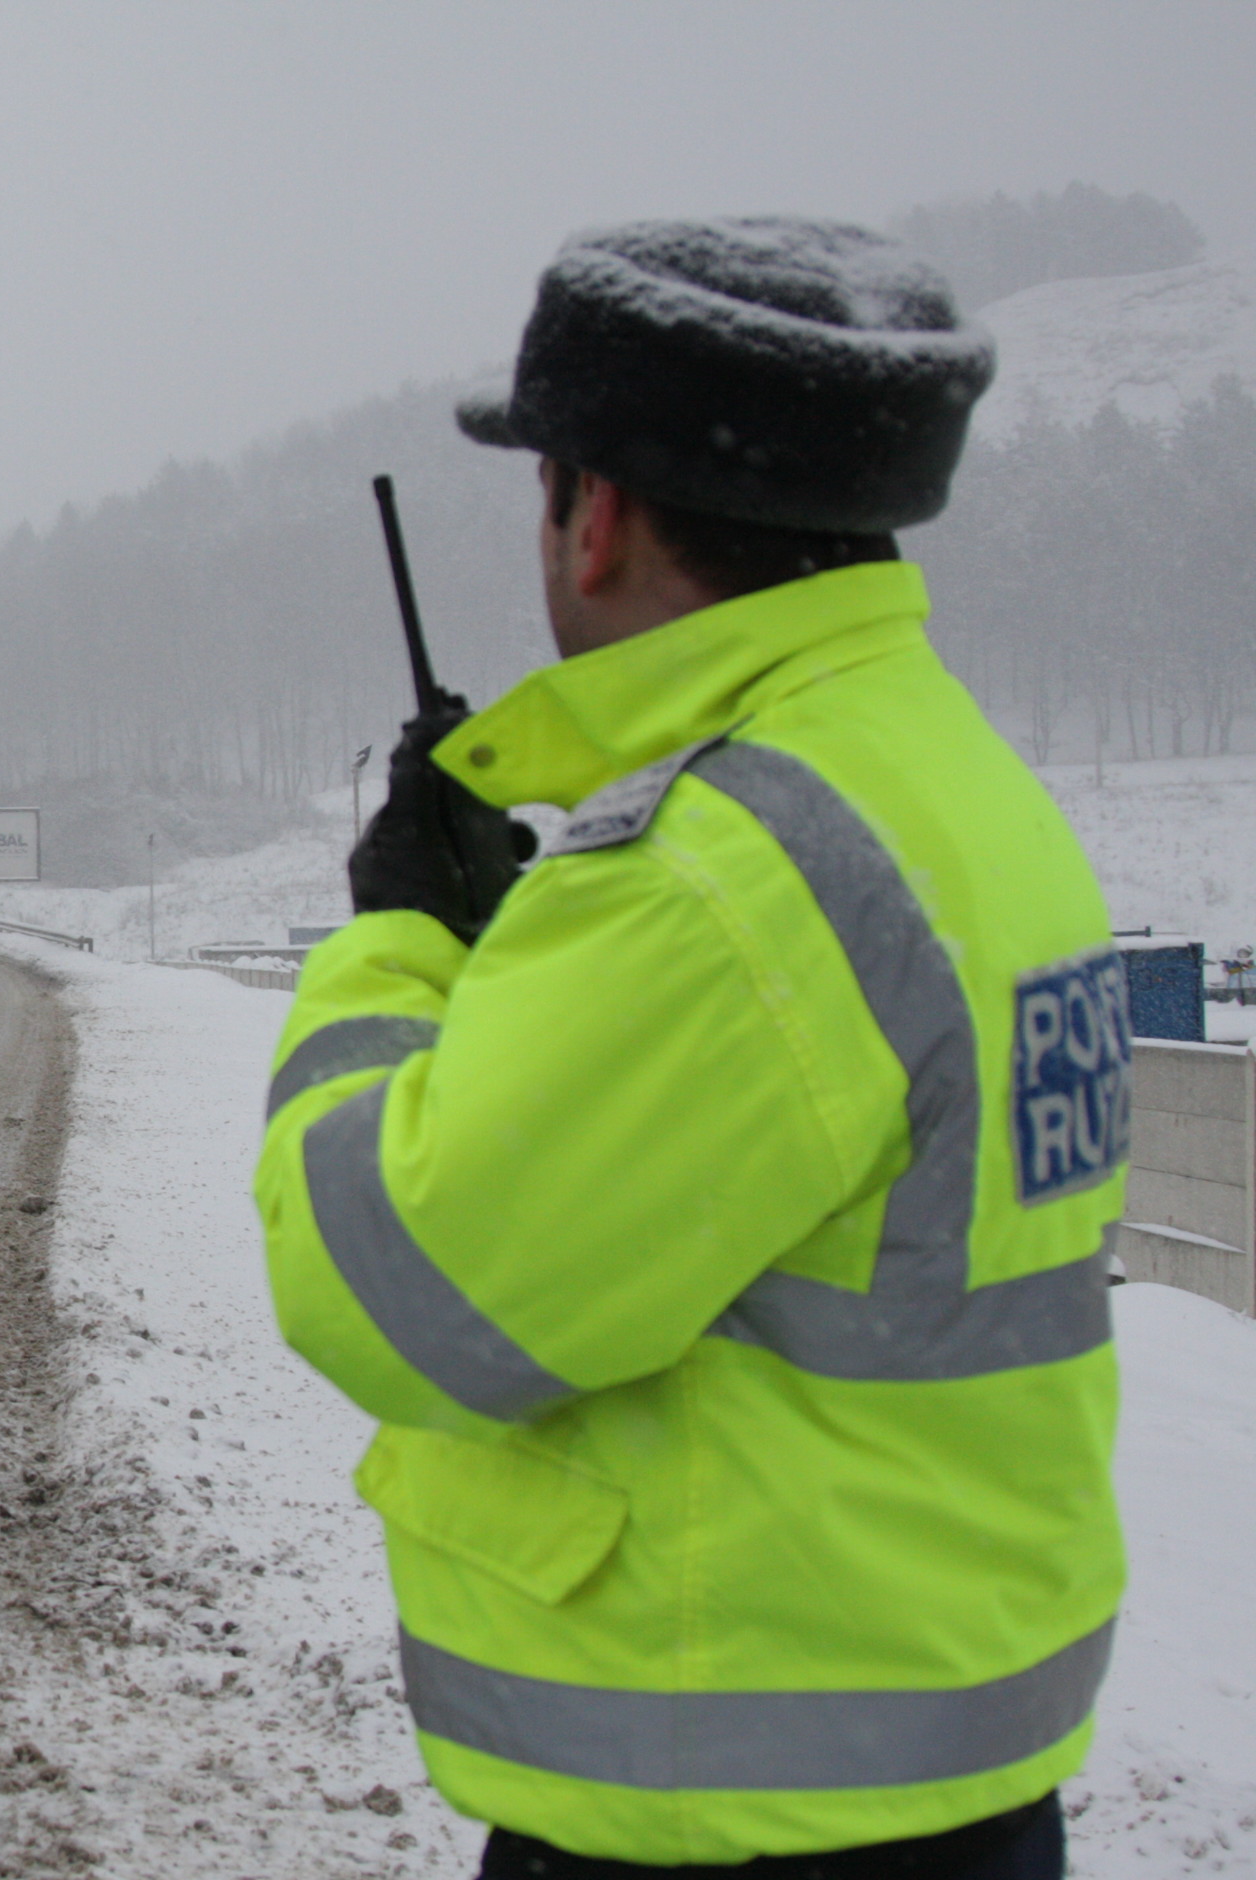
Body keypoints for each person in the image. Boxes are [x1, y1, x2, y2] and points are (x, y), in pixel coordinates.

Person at [257, 218, 1126, 1879]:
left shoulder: (724, 880)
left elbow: (392, 1289)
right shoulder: (942, 782)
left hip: (731, 1806)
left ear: (599, 518)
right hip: (930, 1760)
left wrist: (395, 939)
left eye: (548, 487)